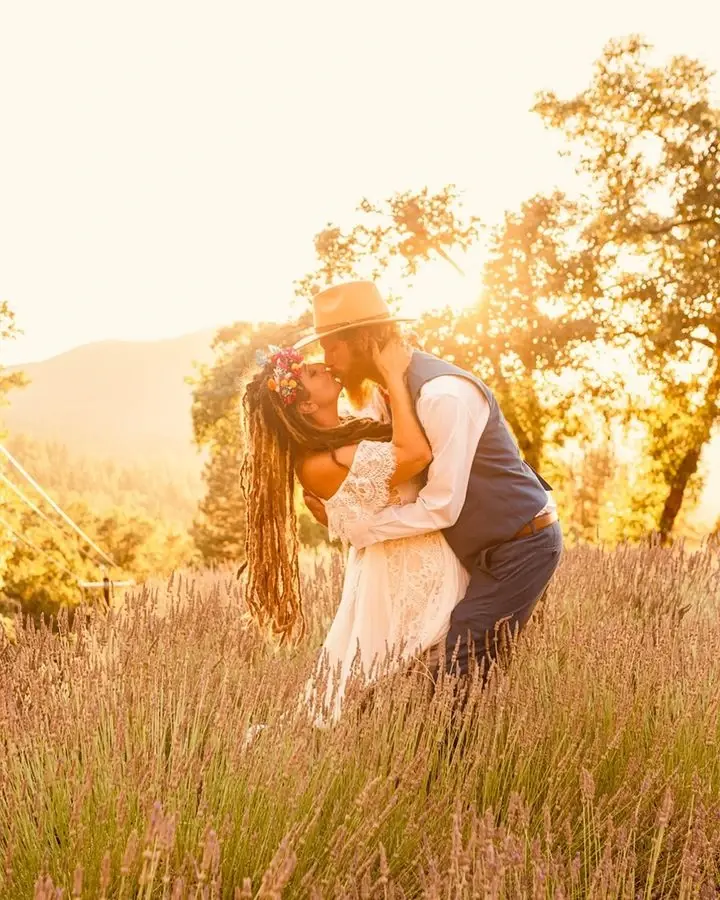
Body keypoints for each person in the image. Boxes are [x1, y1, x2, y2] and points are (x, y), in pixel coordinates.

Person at [296, 280, 563, 680]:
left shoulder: (444, 396)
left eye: (333, 345)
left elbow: (441, 505)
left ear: (365, 340)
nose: (325, 357)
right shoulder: (383, 396)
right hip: (473, 546)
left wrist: (363, 531)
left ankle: (451, 745)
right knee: (435, 661)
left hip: (520, 544)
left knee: (462, 654)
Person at [240, 337, 469, 724]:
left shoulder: (346, 431)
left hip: (419, 558)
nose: (323, 367)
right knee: (403, 680)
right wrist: (394, 376)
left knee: (426, 678)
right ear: (308, 405)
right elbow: (415, 455)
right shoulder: (320, 461)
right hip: (402, 573)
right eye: (311, 373)